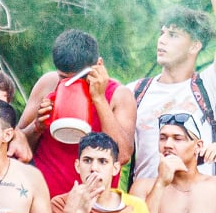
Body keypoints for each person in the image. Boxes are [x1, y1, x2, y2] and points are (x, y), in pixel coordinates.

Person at [124, 0, 216, 184]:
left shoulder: (211, 86)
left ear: (194, 46)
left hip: (200, 202)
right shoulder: (134, 91)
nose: (162, 40)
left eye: (173, 35)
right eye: (162, 33)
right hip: (148, 200)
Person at [17, 28, 136, 198]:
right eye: (63, 78)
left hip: (92, 205)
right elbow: (17, 145)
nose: (70, 84)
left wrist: (99, 99)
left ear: (99, 65)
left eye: (80, 79)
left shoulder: (119, 95)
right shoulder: (48, 83)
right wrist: (37, 127)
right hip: (41, 201)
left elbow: (122, 156)